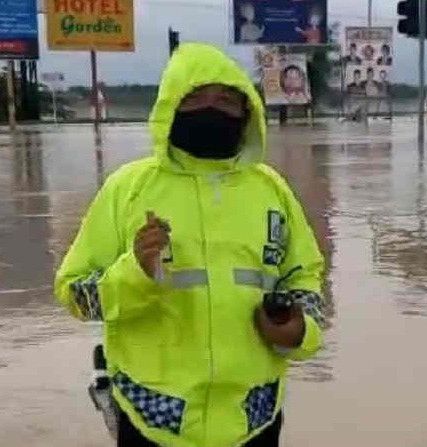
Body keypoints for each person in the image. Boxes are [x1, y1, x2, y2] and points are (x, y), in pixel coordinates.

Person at [54, 43, 326, 447]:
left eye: (225, 101)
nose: (211, 110)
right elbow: (74, 295)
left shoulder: (272, 190)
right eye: (194, 99)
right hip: (151, 414)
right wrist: (136, 274)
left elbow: (305, 277)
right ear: (169, 108)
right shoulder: (127, 189)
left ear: (247, 112)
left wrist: (299, 329)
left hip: (255, 414)